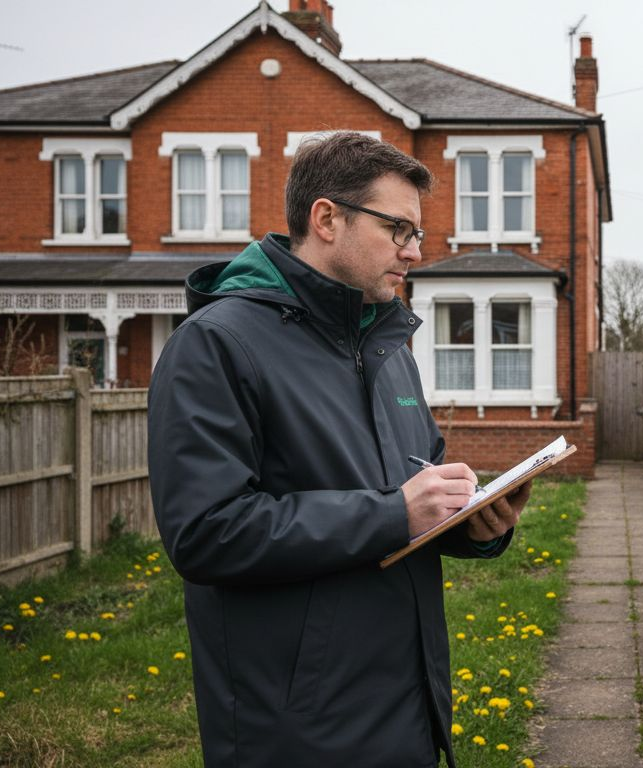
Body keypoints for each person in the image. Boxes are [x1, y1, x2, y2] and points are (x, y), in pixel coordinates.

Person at [148, 132, 529, 767]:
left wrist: (475, 524)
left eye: (417, 235)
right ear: (327, 218)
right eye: (397, 230)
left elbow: (412, 490)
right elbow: (205, 532)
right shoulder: (215, 344)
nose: (412, 252)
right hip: (298, 729)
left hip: (408, 705)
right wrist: (392, 514)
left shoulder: (387, 346)